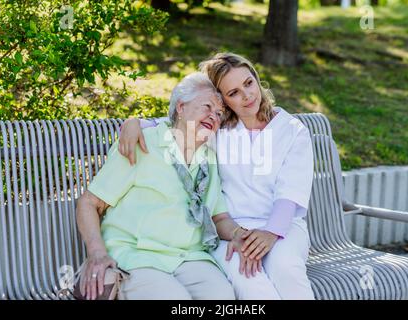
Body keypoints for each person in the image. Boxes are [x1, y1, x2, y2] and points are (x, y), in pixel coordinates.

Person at [119, 53, 315, 300]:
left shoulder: (292, 130)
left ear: (256, 78)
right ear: (222, 101)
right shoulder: (217, 131)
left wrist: (271, 232)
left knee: (285, 268)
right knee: (249, 282)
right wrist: (134, 122)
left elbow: (290, 191)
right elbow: (171, 125)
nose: (247, 95)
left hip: (283, 228)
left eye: (248, 83)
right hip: (231, 230)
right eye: (233, 93)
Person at [76, 72, 241, 300]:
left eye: (219, 113)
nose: (214, 116)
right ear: (181, 108)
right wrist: (97, 253)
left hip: (190, 257)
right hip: (137, 255)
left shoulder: (208, 159)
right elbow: (89, 202)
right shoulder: (143, 143)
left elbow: (219, 218)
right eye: (207, 107)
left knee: (224, 298)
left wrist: (241, 236)